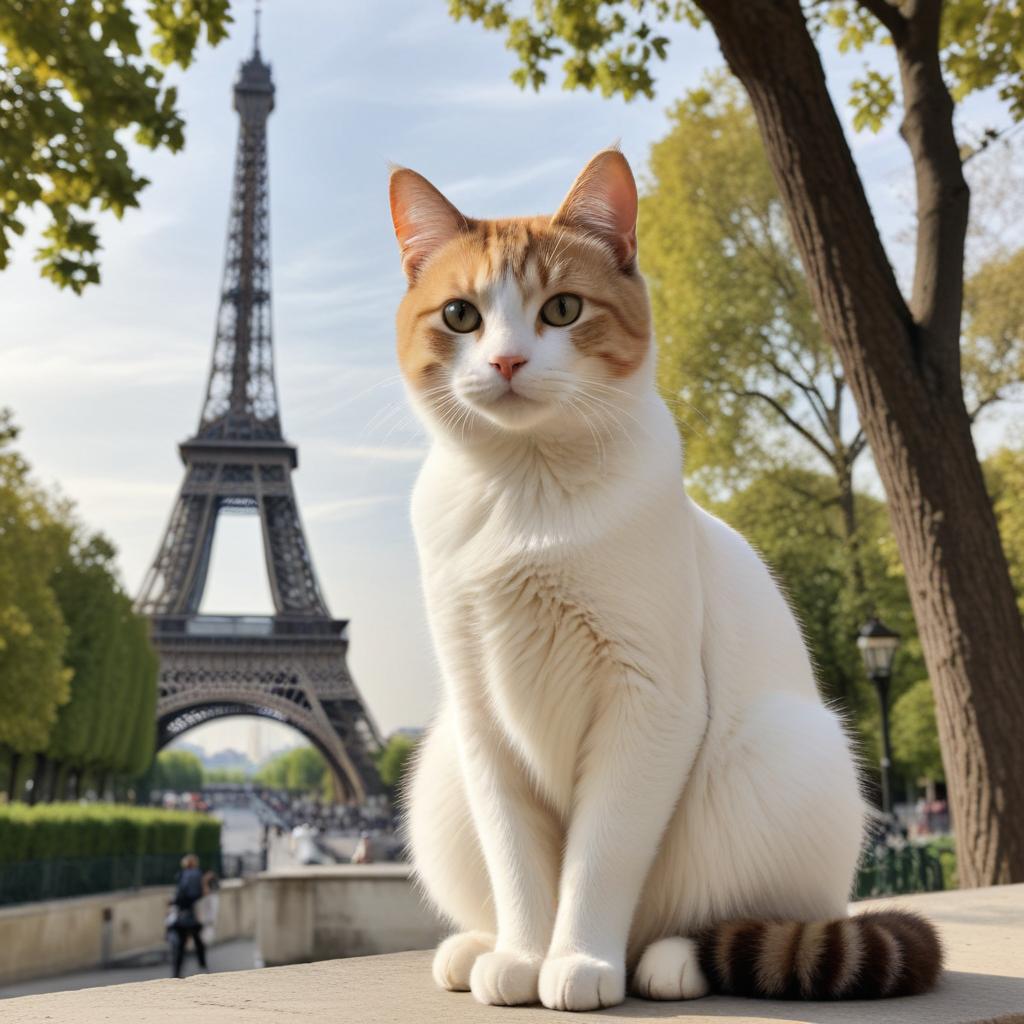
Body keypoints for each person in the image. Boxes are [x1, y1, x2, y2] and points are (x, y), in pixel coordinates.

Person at [168, 853, 207, 978]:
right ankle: (203, 967)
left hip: (181, 914)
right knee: (198, 941)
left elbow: (179, 894)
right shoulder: (198, 874)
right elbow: (200, 893)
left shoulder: (182, 875)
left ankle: (176, 973)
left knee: (180, 945)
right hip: (192, 913)